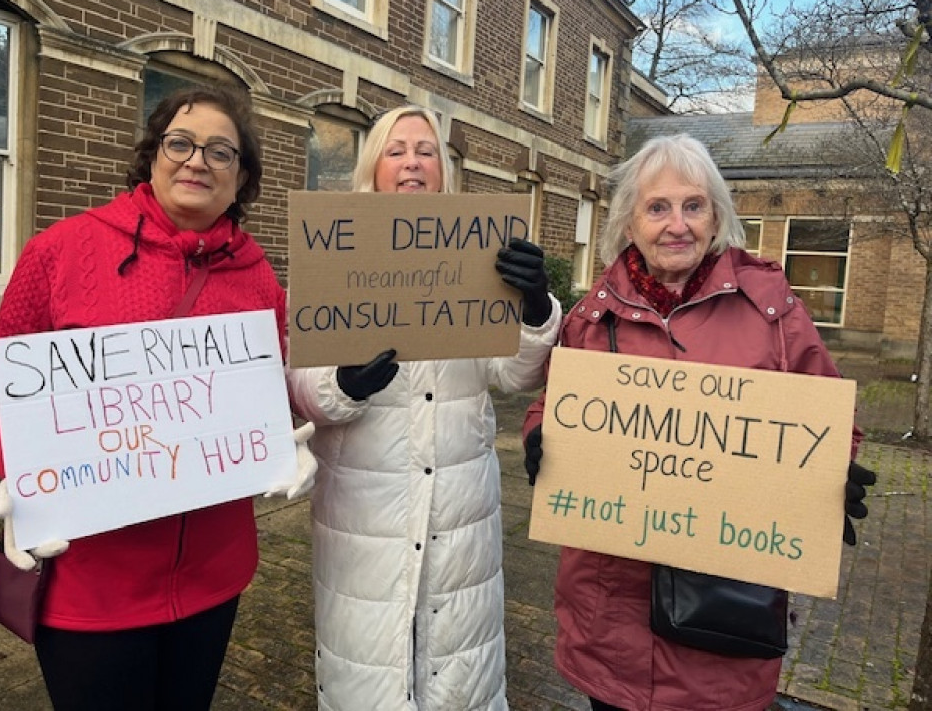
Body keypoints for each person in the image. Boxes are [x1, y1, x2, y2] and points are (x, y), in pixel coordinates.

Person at [0, 85, 307, 710]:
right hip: (90, 583)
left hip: (212, 575)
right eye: (180, 143)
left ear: (241, 178)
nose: (197, 161)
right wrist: (15, 465)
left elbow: (264, 387)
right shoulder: (62, 251)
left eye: (220, 151)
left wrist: (282, 439)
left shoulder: (258, 277)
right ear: (153, 157)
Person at [521, 133, 876, 711]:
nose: (677, 224)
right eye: (657, 208)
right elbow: (554, 403)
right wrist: (540, 436)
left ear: (716, 218)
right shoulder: (594, 316)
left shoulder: (771, 309)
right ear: (629, 223)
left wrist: (835, 471)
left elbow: (825, 414)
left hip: (725, 618)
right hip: (613, 615)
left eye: (693, 206)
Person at [287, 104, 562, 710]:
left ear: (442, 168)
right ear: (374, 166)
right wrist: (343, 386)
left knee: (458, 670)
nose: (412, 162)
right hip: (364, 510)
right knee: (370, 666)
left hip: (459, 509)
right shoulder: (334, 253)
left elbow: (515, 374)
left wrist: (536, 309)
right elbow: (301, 388)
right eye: (397, 149)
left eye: (426, 150)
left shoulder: (478, 255)